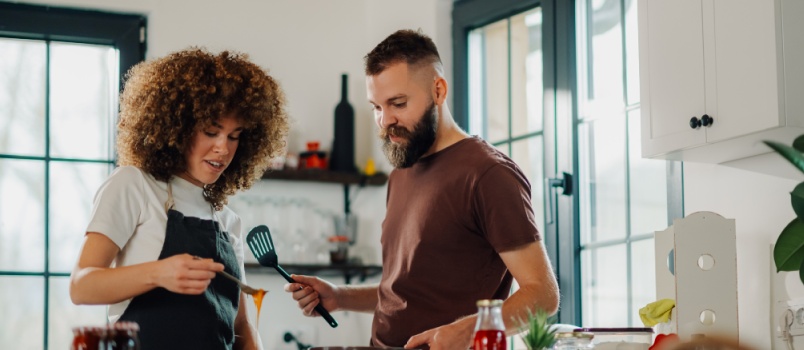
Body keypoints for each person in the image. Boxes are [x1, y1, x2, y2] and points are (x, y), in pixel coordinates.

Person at [284, 29, 559, 350]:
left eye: (397, 103)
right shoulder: (402, 172)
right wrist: (341, 296)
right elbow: (406, 290)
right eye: (376, 107)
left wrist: (468, 330)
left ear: (438, 90)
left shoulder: (488, 174)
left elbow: (542, 295)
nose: (385, 120)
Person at [69, 48, 289, 350]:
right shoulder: (134, 185)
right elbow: (82, 286)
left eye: (235, 135)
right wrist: (158, 273)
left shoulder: (227, 220)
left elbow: (242, 326)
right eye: (211, 131)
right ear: (178, 127)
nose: (223, 149)